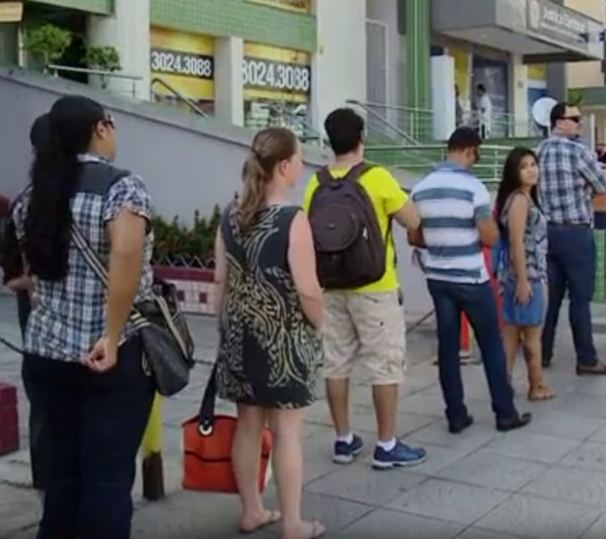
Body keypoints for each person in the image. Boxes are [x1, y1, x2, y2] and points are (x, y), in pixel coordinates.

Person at [12, 95, 154, 539]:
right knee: (107, 479)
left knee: (64, 476)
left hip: (46, 353)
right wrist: (111, 336)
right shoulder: (123, 188)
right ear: (100, 128)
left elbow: (33, 274)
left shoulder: (32, 197)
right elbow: (127, 252)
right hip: (108, 357)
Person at [214, 128, 325, 539]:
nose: (301, 164)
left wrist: (227, 329)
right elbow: (308, 290)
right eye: (299, 157)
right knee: (287, 431)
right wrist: (320, 322)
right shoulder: (292, 220)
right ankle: (293, 523)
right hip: (283, 338)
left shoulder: (231, 213)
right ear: (283, 166)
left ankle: (252, 510)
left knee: (247, 425)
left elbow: (219, 280)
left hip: (241, 334)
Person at [303, 108, 425, 468]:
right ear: (361, 138)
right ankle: (386, 445)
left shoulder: (317, 183)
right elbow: (412, 220)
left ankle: (344, 440)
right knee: (384, 363)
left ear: (329, 141)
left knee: (336, 363)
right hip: (376, 285)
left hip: (331, 285)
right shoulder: (377, 178)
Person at [409, 127, 532, 432]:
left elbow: (414, 236)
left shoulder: (420, 187)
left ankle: (456, 415)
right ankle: (505, 413)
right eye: (476, 153)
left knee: (448, 347)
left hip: (438, 277)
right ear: (468, 150)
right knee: (491, 342)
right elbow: (489, 237)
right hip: (471, 278)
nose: (476, 159)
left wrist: (441, 240)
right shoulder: (473, 187)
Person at [536, 102, 606, 374]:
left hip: (547, 233)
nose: (579, 124)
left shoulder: (539, 152)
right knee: (580, 299)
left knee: (552, 298)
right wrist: (583, 190)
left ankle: (542, 353)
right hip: (576, 231)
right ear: (559, 122)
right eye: (575, 119)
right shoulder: (579, 152)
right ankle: (586, 358)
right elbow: (603, 186)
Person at [2, 114, 48, 511]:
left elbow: (11, 278)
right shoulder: (94, 199)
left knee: (45, 408)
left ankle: (48, 491)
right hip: (64, 329)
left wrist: (32, 281)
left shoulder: (22, 203)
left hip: (35, 329)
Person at [494, 146, 554, 401]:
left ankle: (503, 385)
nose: (531, 170)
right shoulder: (519, 200)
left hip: (520, 275)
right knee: (532, 336)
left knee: (510, 332)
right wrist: (522, 281)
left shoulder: (521, 198)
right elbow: (516, 242)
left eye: (533, 164)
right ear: (514, 172)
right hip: (527, 275)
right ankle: (536, 385)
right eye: (524, 166)